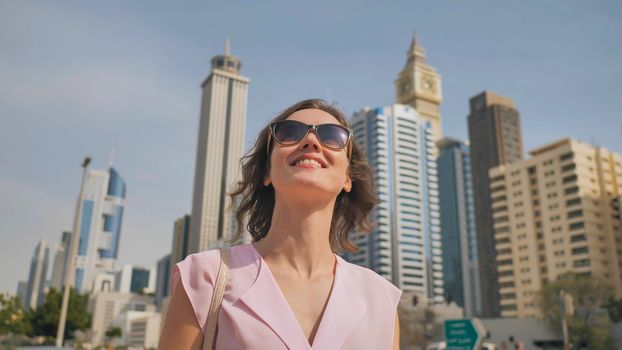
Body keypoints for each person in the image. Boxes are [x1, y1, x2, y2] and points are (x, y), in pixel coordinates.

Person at [159, 99, 402, 349]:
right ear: (266, 172)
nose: (311, 141)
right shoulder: (205, 277)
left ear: (347, 178)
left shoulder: (381, 298)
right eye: (290, 133)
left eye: (331, 136)